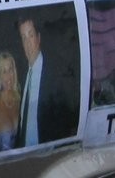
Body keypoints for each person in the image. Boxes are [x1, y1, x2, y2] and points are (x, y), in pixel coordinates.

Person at [17, 14, 77, 146]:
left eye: (31, 36)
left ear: (38, 38)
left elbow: (65, 122)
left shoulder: (56, 73)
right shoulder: (21, 74)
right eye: (24, 38)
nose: (28, 44)